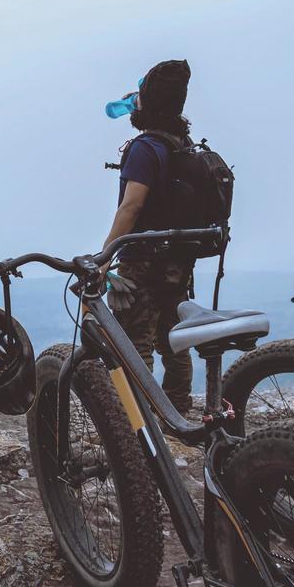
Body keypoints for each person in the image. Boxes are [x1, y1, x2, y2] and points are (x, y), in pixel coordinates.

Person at [101, 59, 197, 415]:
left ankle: (141, 419)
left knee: (134, 339)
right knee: (174, 341)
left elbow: (132, 206)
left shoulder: (145, 147)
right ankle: (178, 410)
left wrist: (105, 257)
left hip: (141, 260)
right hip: (177, 262)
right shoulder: (181, 143)